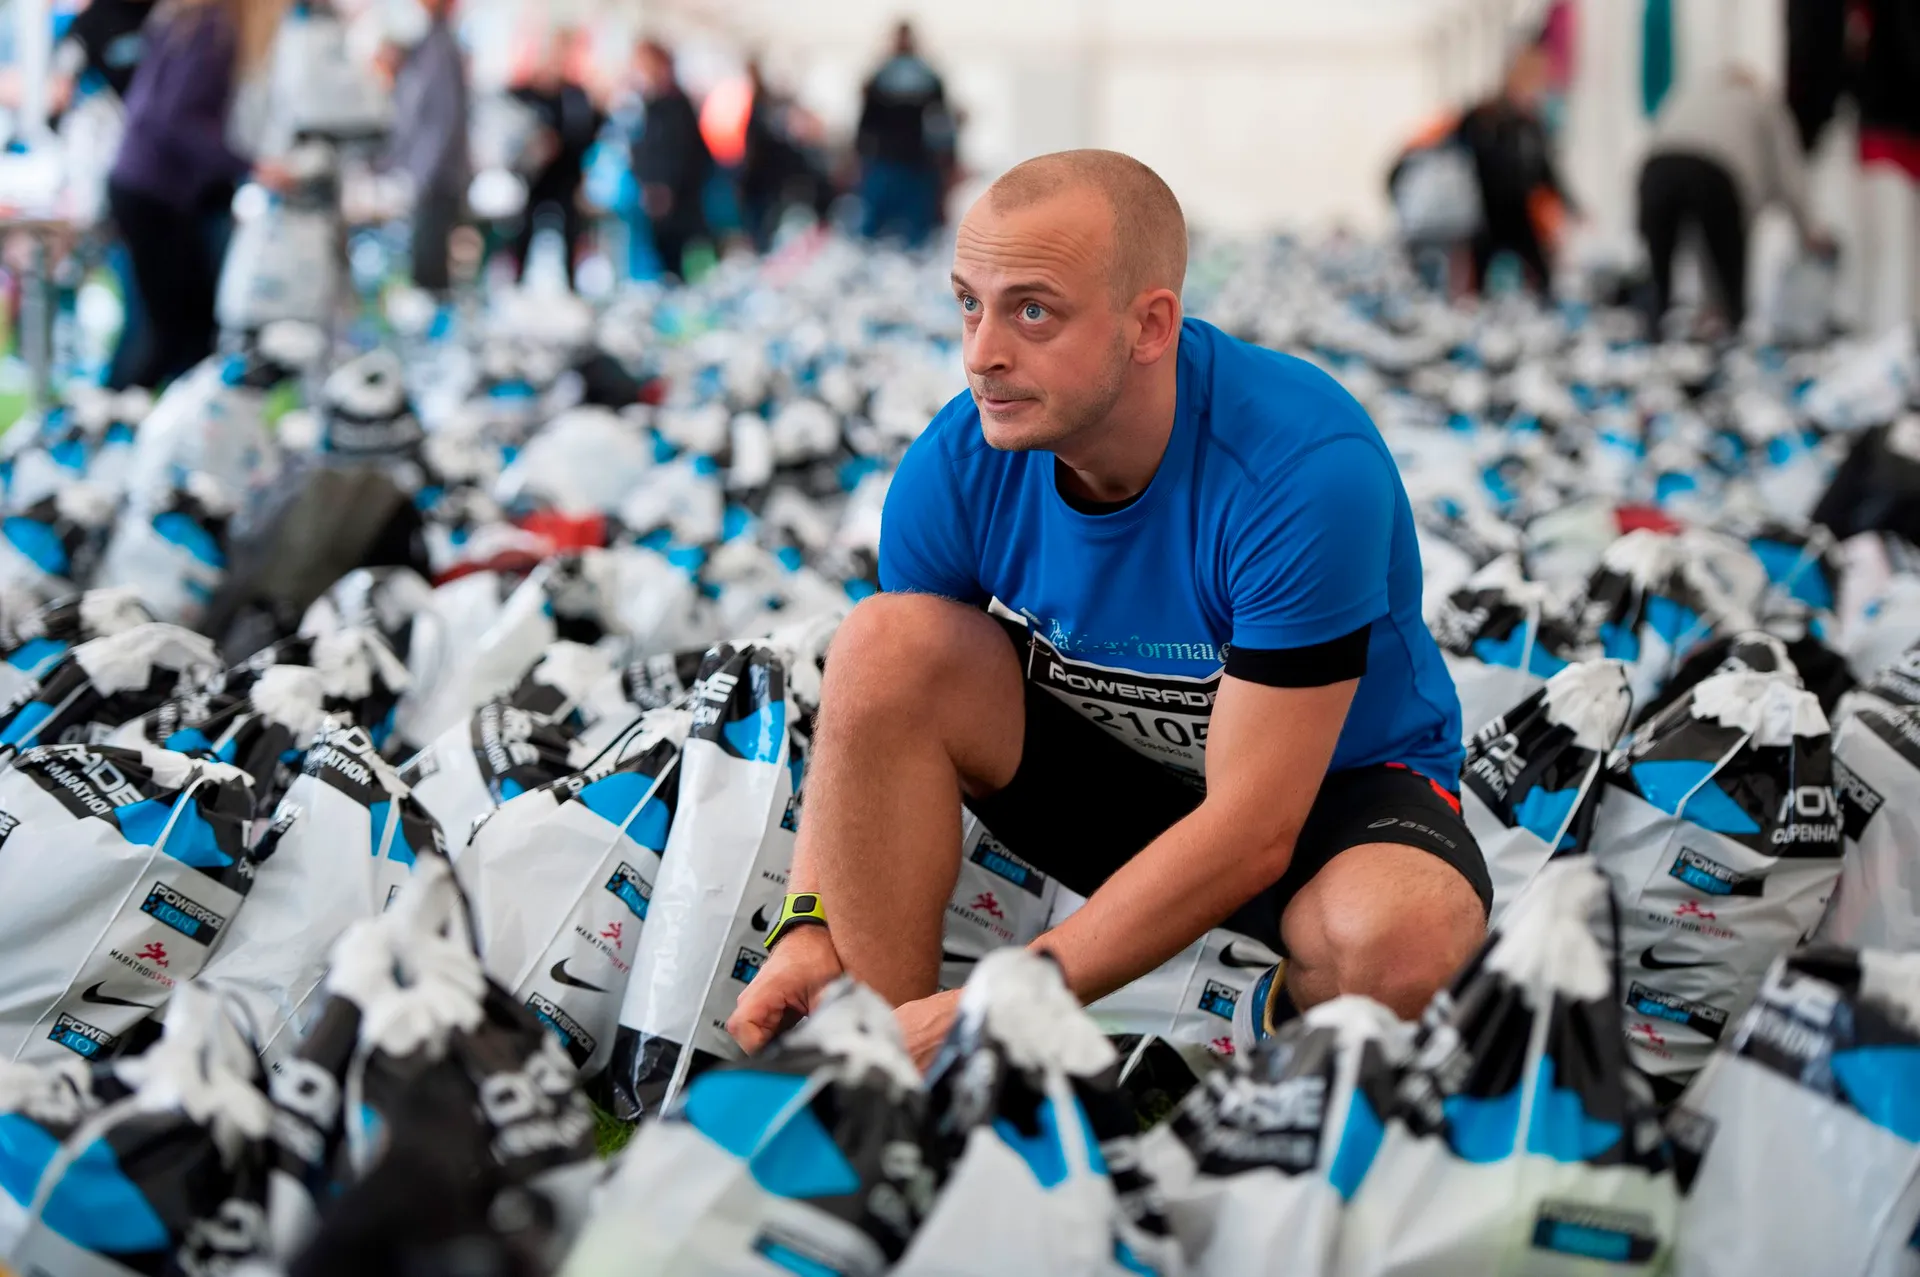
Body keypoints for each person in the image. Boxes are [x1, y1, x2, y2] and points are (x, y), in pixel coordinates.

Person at [726, 150, 1488, 1067]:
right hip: (1118, 782)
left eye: (1032, 311)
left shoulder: (1302, 468)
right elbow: (871, 709)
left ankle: (1265, 1017)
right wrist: (809, 922)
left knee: (1405, 943)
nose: (981, 354)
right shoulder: (959, 463)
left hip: (1321, 799)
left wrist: (994, 1005)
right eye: (969, 303)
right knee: (883, 639)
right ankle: (888, 1077)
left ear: (1150, 325)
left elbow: (1254, 830)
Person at [107, 0, 288, 389]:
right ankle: (119, 411)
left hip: (147, 184)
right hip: (155, 189)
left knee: (169, 328)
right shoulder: (214, 27)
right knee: (170, 333)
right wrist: (249, 165)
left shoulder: (192, 19)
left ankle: (127, 408)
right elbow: (179, 119)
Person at [1638, 68, 1827, 338]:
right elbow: (1790, 174)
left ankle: (1653, 334)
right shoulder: (1764, 104)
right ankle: (1731, 329)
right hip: (1716, 173)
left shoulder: (1688, 96)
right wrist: (1808, 230)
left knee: (1659, 276)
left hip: (1655, 169)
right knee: (1729, 273)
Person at [1455, 45, 1575, 295]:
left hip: (1519, 214)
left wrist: (1572, 206)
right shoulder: (1484, 115)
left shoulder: (1531, 123)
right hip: (1486, 213)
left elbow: (1545, 171)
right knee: (1476, 285)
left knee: (1542, 278)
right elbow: (1462, 154)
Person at [386, 0, 468, 295]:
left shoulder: (440, 50)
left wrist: (421, 175)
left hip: (436, 180)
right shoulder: (424, 49)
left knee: (429, 271)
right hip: (425, 177)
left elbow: (442, 120)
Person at [510, 30, 602, 288]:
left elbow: (587, 134)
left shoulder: (576, 96)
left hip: (566, 174)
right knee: (523, 229)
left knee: (570, 230)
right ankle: (517, 282)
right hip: (534, 177)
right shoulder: (526, 94)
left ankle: (571, 284)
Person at [855, 21, 952, 248]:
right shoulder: (886, 77)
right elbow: (867, 122)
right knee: (877, 224)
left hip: (913, 162)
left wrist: (946, 156)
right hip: (888, 160)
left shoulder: (922, 77)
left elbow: (940, 121)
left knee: (913, 227)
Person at [630, 39, 712, 282]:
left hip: (677, 199)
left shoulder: (675, 105)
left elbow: (682, 151)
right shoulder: (648, 103)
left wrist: (665, 186)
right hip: (656, 195)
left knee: (679, 255)